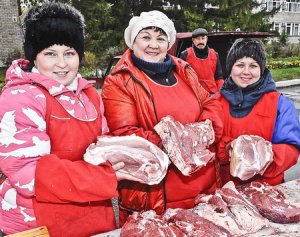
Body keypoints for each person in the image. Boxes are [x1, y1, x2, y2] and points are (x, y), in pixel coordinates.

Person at [0, 2, 138, 236]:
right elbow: (28, 173)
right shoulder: (20, 98)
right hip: (38, 221)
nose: (62, 64)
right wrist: (103, 177)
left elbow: (102, 148)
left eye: (70, 53)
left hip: (93, 216)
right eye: (50, 54)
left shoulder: (90, 94)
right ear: (34, 56)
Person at [102, 10, 224, 215]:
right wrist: (181, 141)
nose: (153, 44)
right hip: (157, 196)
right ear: (133, 41)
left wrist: (199, 132)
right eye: (146, 37)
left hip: (204, 185)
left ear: (168, 44)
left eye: (161, 38)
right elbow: (125, 135)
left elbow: (210, 104)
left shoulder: (184, 70)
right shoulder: (119, 81)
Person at [216, 38, 300, 186]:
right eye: (240, 65)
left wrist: (257, 156)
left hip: (265, 188)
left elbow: (291, 148)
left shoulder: (280, 105)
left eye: (253, 66)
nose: (246, 72)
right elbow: (206, 145)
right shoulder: (215, 102)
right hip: (225, 189)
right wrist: (227, 148)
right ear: (230, 68)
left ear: (261, 69)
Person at [180, 28, 224, 94]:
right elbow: (181, 78)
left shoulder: (215, 54)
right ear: (193, 40)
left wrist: (221, 94)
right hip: (193, 94)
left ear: (206, 39)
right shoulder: (185, 54)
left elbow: (219, 78)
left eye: (203, 38)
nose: (200, 41)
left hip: (212, 94)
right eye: (198, 39)